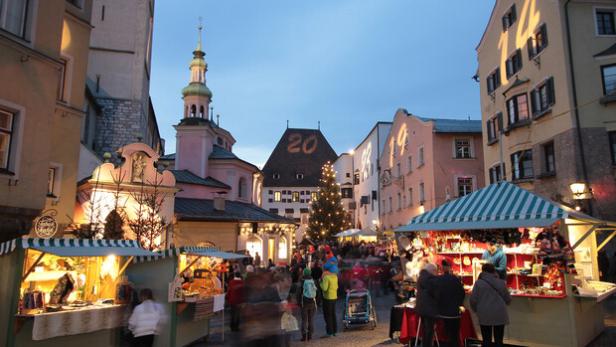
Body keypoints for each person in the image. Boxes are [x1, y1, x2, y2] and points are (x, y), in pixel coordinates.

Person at [470, 263, 511, 347]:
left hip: (484, 313)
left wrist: (476, 310)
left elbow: (473, 300)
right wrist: (507, 302)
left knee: (486, 340)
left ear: (483, 271)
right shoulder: (501, 282)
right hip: (499, 313)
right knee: (499, 340)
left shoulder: (478, 283)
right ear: (494, 271)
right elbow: (508, 299)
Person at [436, 260, 465, 347]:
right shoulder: (455, 279)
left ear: (442, 268)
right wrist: (458, 303)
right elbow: (462, 293)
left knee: (447, 334)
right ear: (449, 268)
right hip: (455, 312)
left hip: (443, 313)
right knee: (455, 334)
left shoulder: (438, 280)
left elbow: (436, 295)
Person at [415, 263, 438, 347]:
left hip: (422, 308)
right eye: (436, 271)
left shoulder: (422, 277)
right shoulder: (429, 279)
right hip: (429, 309)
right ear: (432, 271)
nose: (437, 273)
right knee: (429, 330)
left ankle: (425, 344)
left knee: (425, 330)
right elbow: (434, 292)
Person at [297, 268, 318, 341]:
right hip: (312, 302)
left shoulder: (302, 282)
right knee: (310, 319)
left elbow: (298, 293)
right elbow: (317, 292)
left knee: (304, 320)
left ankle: (304, 336)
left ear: (304, 273)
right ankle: (310, 336)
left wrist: (298, 303)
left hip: (304, 303)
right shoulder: (313, 281)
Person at [320, 265, 339, 337]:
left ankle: (329, 332)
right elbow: (337, 287)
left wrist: (320, 282)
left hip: (327, 298)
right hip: (334, 297)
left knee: (328, 316)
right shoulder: (335, 277)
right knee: (333, 314)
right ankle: (335, 331)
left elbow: (324, 288)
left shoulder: (326, 278)